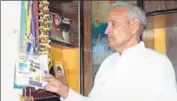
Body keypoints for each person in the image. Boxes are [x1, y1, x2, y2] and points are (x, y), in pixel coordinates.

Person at [44, 2, 177, 101]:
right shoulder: (108, 63)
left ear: (134, 26)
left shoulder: (158, 64)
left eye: (114, 24)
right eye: (108, 24)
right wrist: (63, 91)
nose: (107, 31)